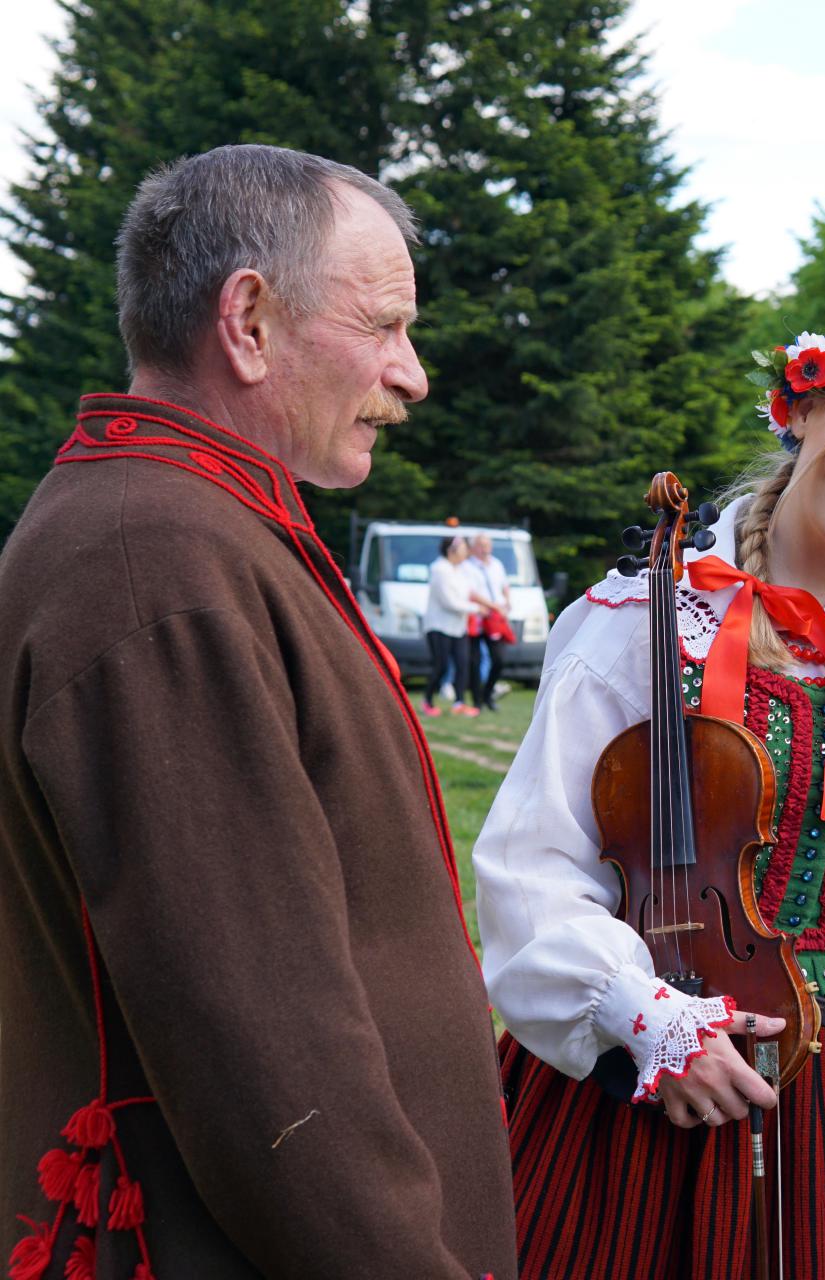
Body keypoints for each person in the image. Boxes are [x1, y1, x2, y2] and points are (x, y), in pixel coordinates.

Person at [0, 145, 515, 1278]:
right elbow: (264, 1052)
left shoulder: (191, 526)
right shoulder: (154, 559)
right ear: (248, 322)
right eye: (384, 325)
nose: (413, 374)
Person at [476, 318, 825, 1278]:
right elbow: (531, 868)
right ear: (805, 408)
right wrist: (650, 1021)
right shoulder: (641, 620)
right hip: (660, 1059)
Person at [426, 534, 483, 716]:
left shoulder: (460, 570)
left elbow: (470, 593)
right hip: (439, 626)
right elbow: (449, 602)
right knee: (441, 665)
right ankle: (427, 701)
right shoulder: (439, 569)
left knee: (462, 664)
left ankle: (459, 702)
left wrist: (489, 605)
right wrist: (477, 608)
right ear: (452, 550)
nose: (466, 553)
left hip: (458, 627)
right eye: (463, 549)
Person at [464, 532, 512, 709]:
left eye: (487, 545)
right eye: (481, 545)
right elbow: (471, 593)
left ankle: (488, 694)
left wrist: (507, 602)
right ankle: (477, 701)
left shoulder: (496, 564)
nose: (485, 549)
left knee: (499, 659)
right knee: (474, 661)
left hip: (495, 619)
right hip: (477, 617)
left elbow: (504, 586)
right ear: (473, 548)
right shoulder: (467, 567)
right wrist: (493, 606)